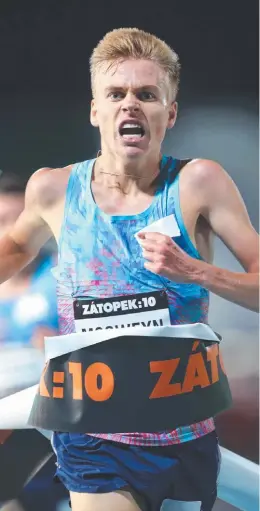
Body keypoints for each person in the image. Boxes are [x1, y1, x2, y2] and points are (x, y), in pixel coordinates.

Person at [0, 27, 258, 511]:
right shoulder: (53, 191)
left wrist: (198, 272)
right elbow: (10, 253)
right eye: (116, 94)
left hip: (184, 432)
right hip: (92, 434)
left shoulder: (198, 183)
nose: (130, 105)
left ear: (171, 112)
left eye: (147, 94)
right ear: (96, 110)